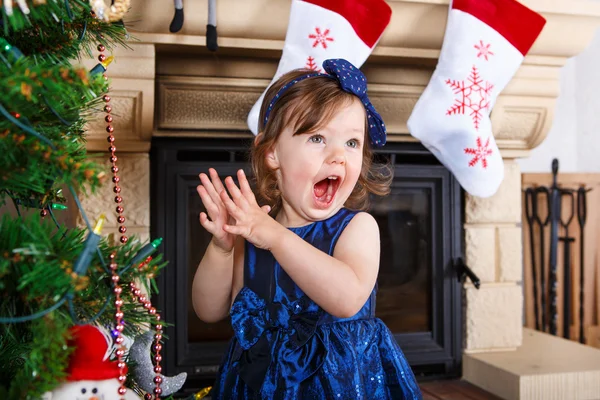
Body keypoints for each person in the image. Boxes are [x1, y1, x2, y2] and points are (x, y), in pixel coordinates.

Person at [192, 58, 422, 400]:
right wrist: (222, 248)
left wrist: (275, 237)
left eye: (352, 143)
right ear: (272, 153)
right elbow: (207, 310)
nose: (338, 157)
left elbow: (345, 299)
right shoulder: (253, 234)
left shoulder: (357, 228)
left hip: (340, 383)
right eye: (317, 138)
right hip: (255, 382)